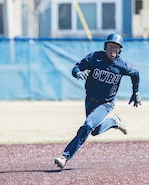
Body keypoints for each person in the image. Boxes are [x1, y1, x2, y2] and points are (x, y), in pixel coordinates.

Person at [54, 33, 141, 169]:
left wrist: (135, 92)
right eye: (111, 46)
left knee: (88, 125)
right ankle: (114, 122)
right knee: (93, 130)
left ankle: (65, 156)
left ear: (120, 51)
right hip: (90, 100)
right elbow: (76, 68)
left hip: (106, 103)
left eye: (116, 48)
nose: (113, 50)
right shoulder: (94, 57)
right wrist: (78, 73)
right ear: (105, 46)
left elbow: (135, 73)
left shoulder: (122, 65)